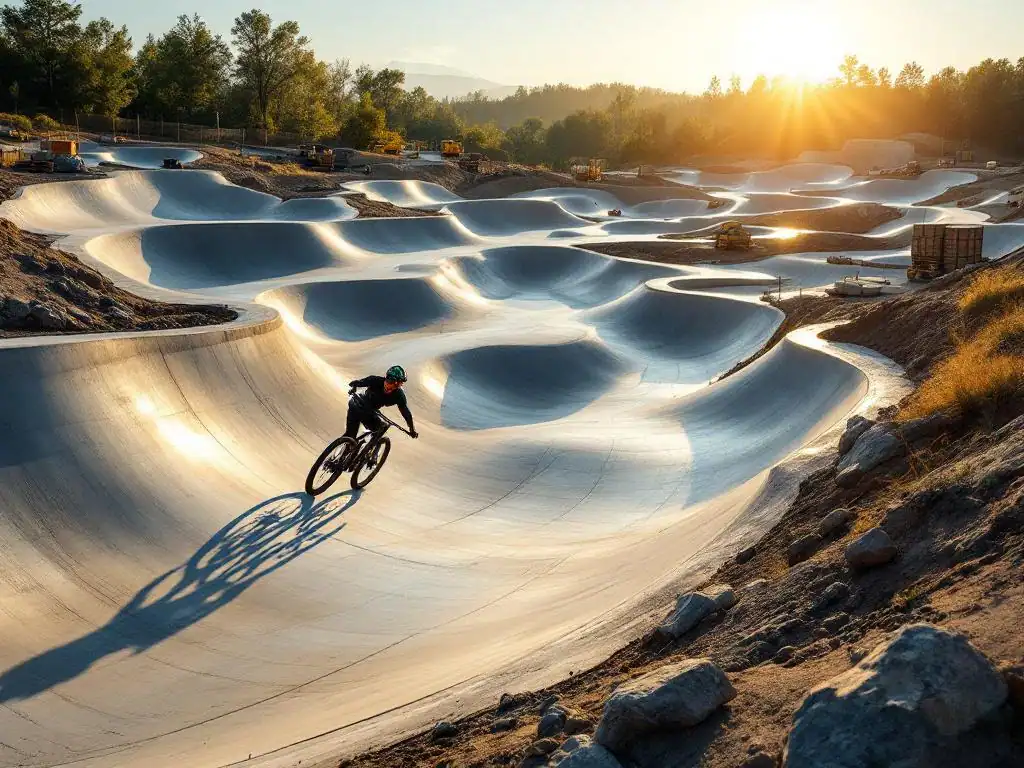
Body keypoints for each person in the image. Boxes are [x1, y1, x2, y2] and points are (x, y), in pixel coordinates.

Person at [346, 365, 418, 440]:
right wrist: (353, 388)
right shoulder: (375, 380)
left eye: (397, 385)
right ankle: (367, 447)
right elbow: (356, 383)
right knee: (381, 427)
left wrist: (412, 429)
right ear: (386, 377)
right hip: (359, 406)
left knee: (349, 436)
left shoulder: (399, 395)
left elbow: (406, 413)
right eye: (390, 381)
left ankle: (352, 444)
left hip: (365, 409)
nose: (391, 386)